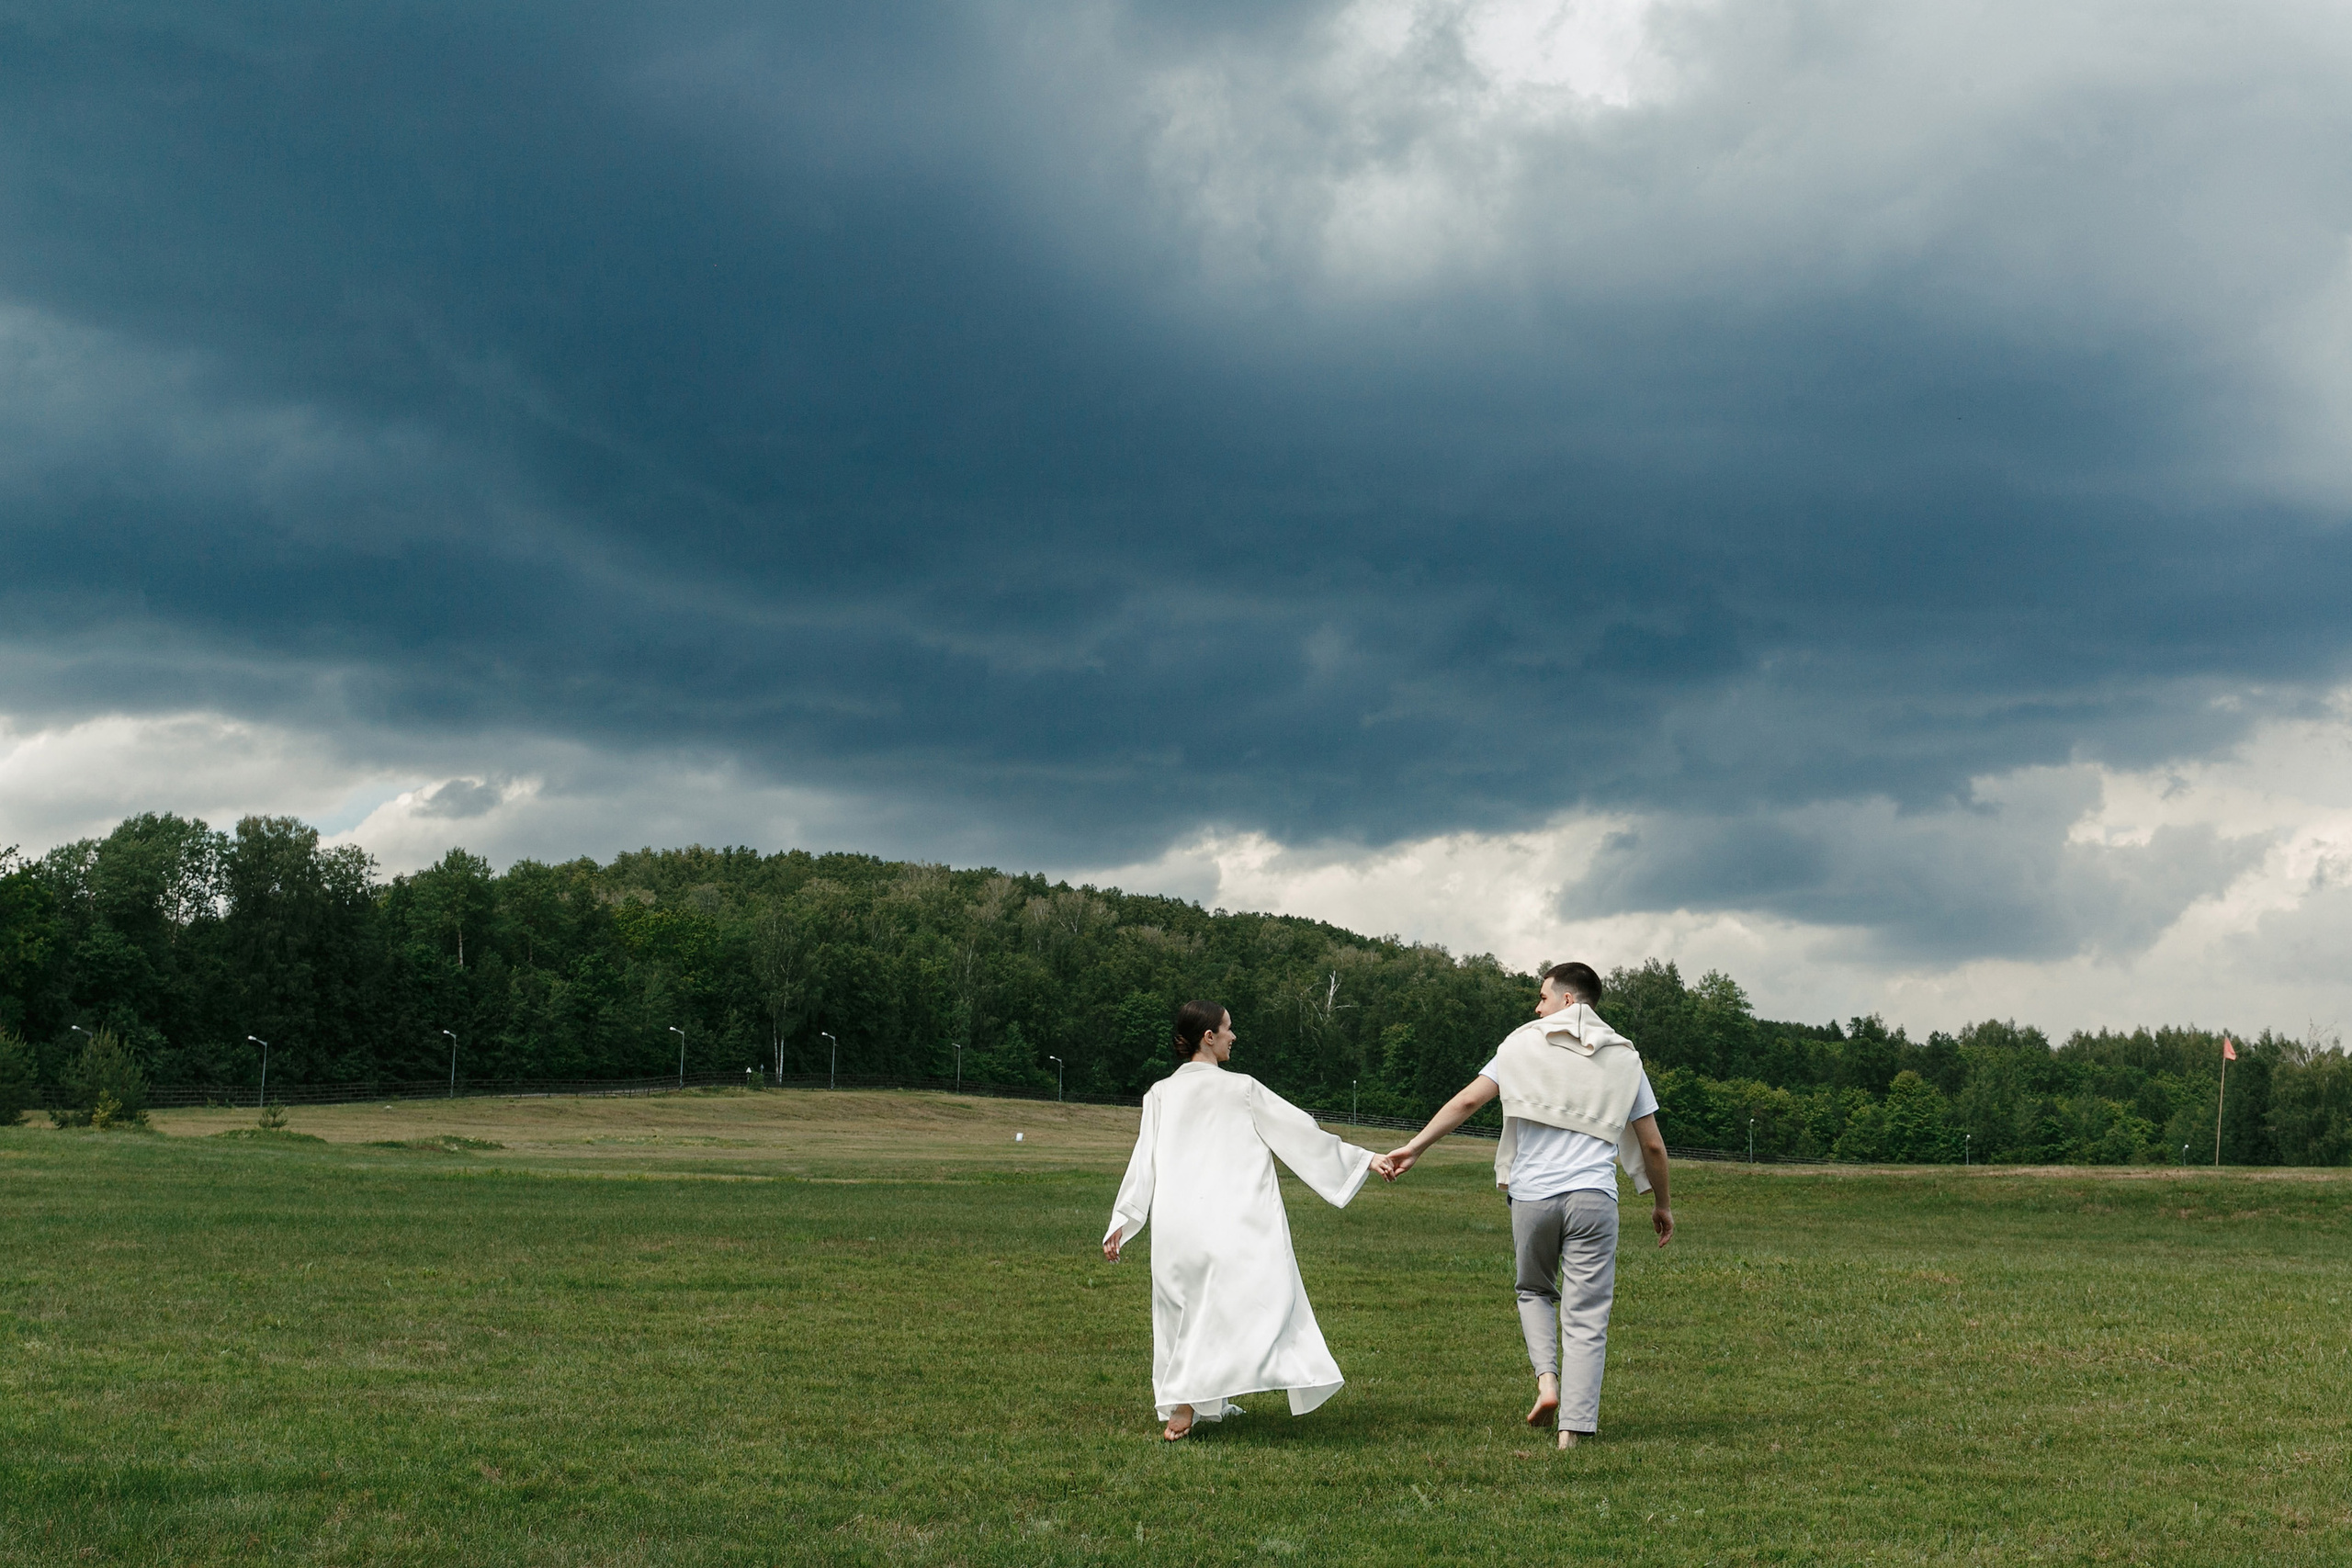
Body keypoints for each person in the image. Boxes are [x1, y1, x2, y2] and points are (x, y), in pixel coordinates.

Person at [1382, 961, 1672, 1450]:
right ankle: (1572, 1431)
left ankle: (1547, 1382)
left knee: (1534, 1291)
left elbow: (1467, 1102)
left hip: (1533, 1196)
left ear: (1566, 1000)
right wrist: (1661, 1203)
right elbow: (1653, 1146)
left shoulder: (1520, 1044)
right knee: (1587, 1313)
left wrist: (1415, 1147)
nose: (1537, 1008)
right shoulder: (1626, 1059)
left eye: (1542, 997)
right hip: (1594, 1199)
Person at [1102, 1000, 1394, 1440]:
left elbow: (1143, 1161)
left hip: (1176, 1224)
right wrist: (1364, 1159)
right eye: (1228, 1029)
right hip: (1230, 1219)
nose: (1233, 1036)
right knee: (1249, 1300)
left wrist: (1123, 1218)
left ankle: (1204, 1401)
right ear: (1208, 1037)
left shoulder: (1159, 1092)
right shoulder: (1241, 1089)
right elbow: (1299, 1132)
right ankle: (1187, 1401)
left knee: (1187, 1309)